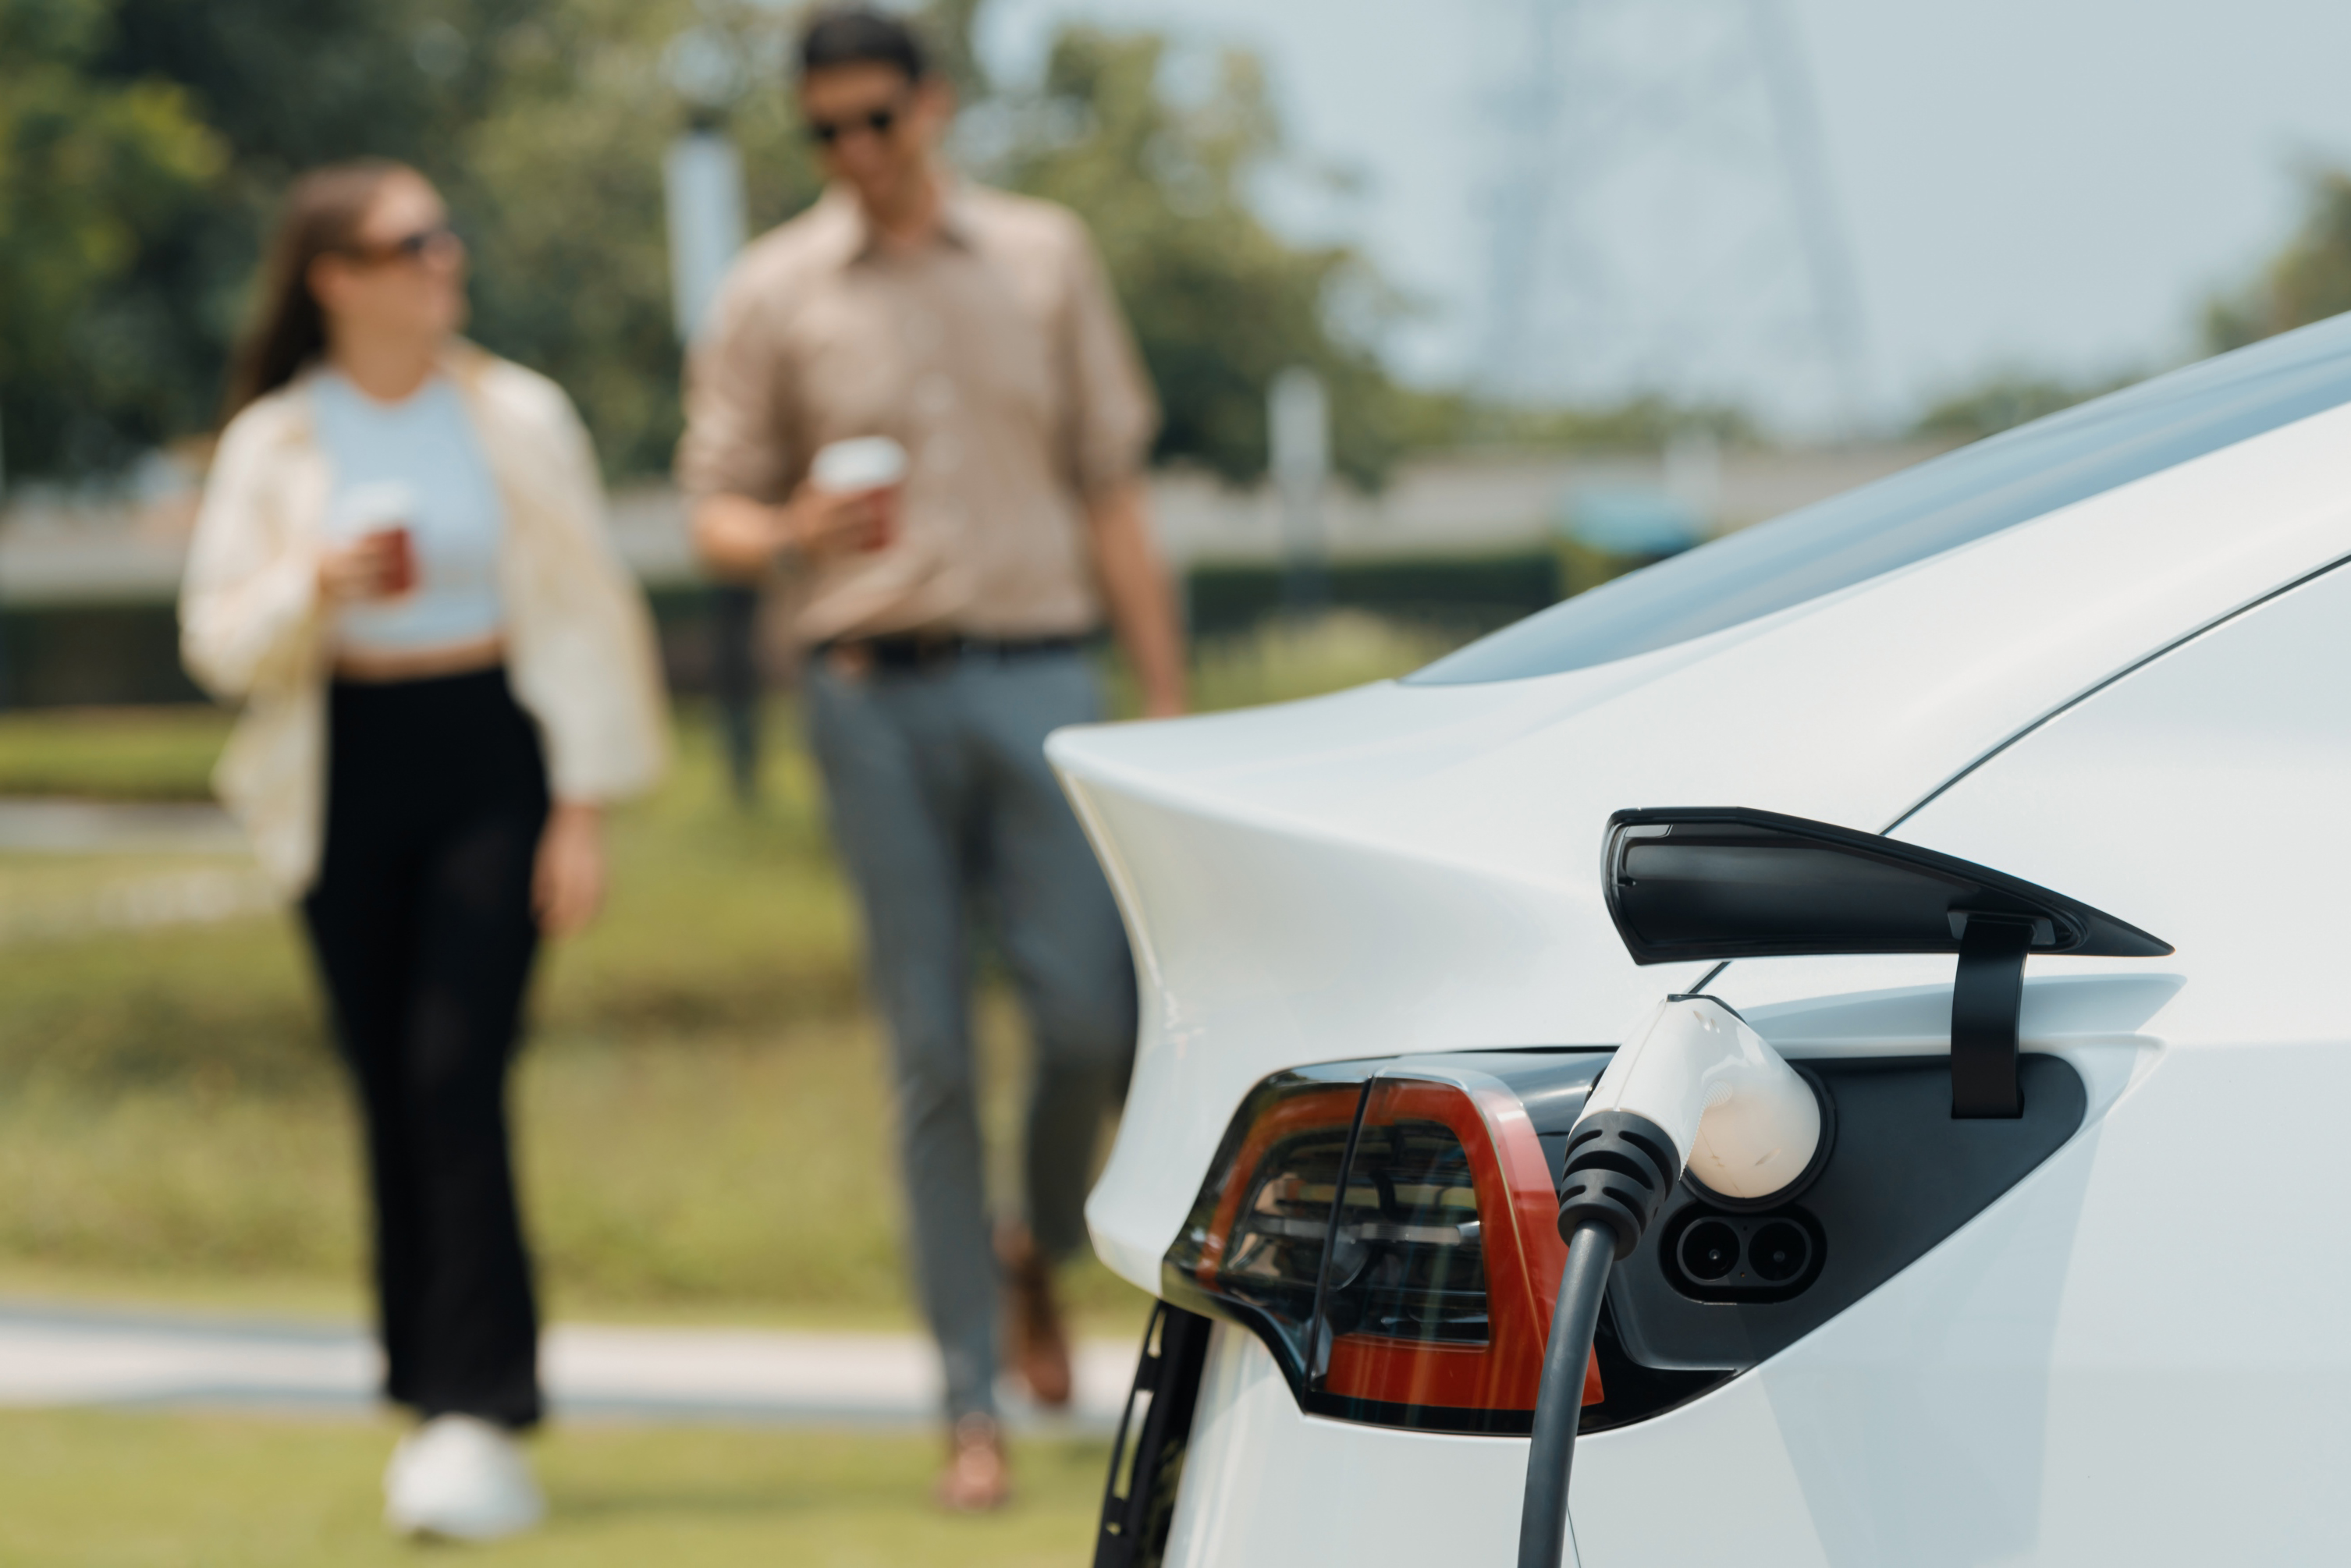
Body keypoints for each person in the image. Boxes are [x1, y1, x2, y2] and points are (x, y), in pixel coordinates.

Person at [680, 5, 1187, 1511]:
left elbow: (1112, 489)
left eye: (873, 122)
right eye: (821, 131)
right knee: (928, 1054)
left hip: (1045, 672)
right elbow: (711, 507)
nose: (851, 153)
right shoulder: (772, 291)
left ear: (934, 109)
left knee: (1089, 1022)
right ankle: (964, 1402)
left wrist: (1162, 701)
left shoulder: (1045, 256)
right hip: (866, 695)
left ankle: (1030, 1241)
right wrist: (789, 533)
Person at [179, 160, 669, 1541]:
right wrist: (314, 584)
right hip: (344, 769)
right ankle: (426, 1396)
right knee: (388, 1086)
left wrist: (581, 807)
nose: (445, 256)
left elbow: (587, 616)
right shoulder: (280, 440)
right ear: (335, 275)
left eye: (447, 232)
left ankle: (479, 1405)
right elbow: (217, 640)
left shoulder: (515, 413)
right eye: (413, 241)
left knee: (456, 1071)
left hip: (493, 755)